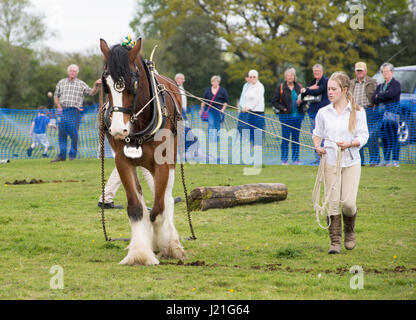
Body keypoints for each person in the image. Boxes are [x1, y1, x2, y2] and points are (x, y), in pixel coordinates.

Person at [313, 72, 369, 254]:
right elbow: (317, 133)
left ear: (344, 90)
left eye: (334, 89)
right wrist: (317, 146)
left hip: (351, 162)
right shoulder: (323, 112)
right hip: (330, 163)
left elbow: (363, 136)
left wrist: (350, 144)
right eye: (329, 89)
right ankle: (335, 242)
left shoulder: (358, 112)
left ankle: (349, 231)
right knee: (333, 202)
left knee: (349, 203)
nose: (330, 92)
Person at [52, 64, 101, 162]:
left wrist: (96, 85)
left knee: (74, 134)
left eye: (74, 71)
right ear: (68, 72)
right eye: (71, 71)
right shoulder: (61, 82)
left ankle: (72, 156)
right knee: (62, 134)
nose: (72, 72)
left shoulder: (81, 83)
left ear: (77, 73)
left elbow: (91, 92)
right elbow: (56, 96)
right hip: (63, 110)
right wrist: (59, 106)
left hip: (75, 111)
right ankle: (62, 156)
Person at [272, 67, 304, 165]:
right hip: (285, 117)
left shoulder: (299, 87)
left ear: (294, 77)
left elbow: (305, 100)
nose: (290, 77)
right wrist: (283, 108)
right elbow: (274, 101)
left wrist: (301, 102)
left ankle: (295, 159)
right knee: (285, 139)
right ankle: (284, 160)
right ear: (286, 77)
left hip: (297, 117)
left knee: (295, 139)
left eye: (291, 75)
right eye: (288, 75)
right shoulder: (281, 87)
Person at [372, 63, 401, 167]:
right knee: (384, 138)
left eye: (387, 72)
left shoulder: (396, 84)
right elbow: (373, 99)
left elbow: (391, 94)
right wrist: (381, 96)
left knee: (393, 137)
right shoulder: (380, 85)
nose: (385, 74)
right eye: (383, 72)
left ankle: (395, 160)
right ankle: (386, 160)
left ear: (392, 72)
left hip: (392, 115)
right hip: (381, 116)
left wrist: (379, 96)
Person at [301, 64, 330, 164]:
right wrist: (308, 89)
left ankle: (325, 158)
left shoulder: (325, 81)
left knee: (325, 135)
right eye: (314, 71)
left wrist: (308, 90)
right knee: (315, 136)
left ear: (322, 71)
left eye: (318, 71)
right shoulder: (313, 82)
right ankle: (317, 159)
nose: (316, 73)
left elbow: (318, 91)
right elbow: (304, 93)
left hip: (324, 112)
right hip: (313, 113)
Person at [349, 62, 377, 166]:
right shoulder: (351, 83)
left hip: (369, 111)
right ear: (355, 71)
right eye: (358, 70)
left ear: (365, 71)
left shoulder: (372, 82)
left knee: (372, 135)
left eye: (361, 70)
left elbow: (376, 96)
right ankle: (360, 160)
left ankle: (374, 160)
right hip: (354, 111)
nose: (359, 72)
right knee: (356, 136)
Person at [199, 75, 229, 146]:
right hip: (210, 110)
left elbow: (226, 102)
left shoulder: (223, 90)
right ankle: (211, 141)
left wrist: (223, 109)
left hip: (219, 111)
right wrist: (201, 110)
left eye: (215, 81)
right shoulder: (208, 90)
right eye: (212, 81)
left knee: (217, 126)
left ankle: (217, 141)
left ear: (218, 82)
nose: (213, 83)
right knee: (211, 124)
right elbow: (203, 101)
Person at [241, 70, 265, 148]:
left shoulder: (260, 86)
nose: (252, 78)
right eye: (251, 77)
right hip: (249, 112)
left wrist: (249, 107)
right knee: (251, 128)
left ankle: (258, 145)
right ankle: (253, 144)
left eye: (254, 77)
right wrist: (244, 107)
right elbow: (245, 98)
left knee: (258, 129)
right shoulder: (249, 86)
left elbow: (257, 100)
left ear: (257, 77)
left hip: (258, 112)